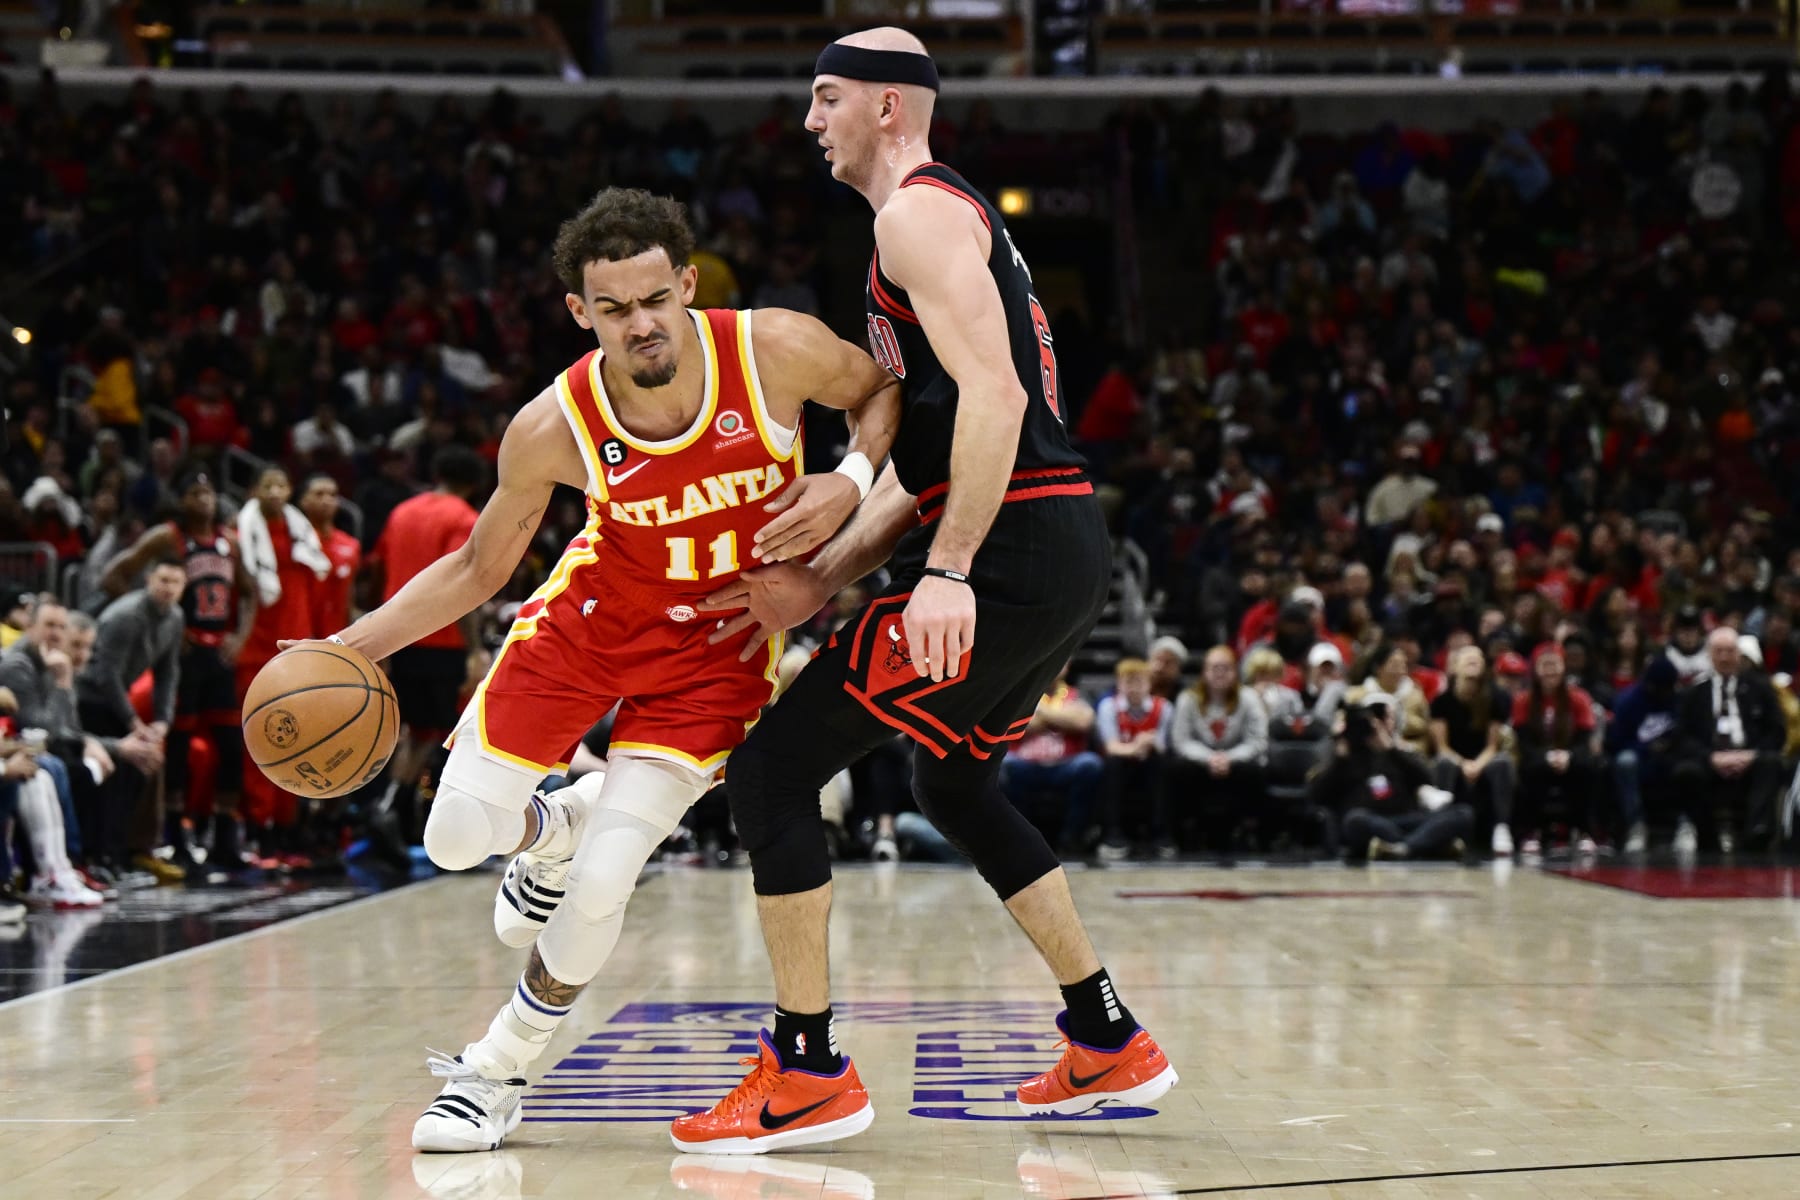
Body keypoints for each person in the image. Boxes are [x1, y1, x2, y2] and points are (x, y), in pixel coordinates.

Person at [294, 187, 900, 1152]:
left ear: (687, 285)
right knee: (452, 840)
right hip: (589, 625)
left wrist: (851, 478)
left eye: (655, 299)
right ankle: (553, 822)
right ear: (580, 312)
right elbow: (478, 568)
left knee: (604, 885)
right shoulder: (551, 425)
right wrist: (348, 648)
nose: (641, 324)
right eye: (613, 309)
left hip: (717, 650)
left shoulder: (773, 347)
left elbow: (880, 390)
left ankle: (495, 1072)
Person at [680, 31, 1176, 1153]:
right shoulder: (926, 224)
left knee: (770, 773)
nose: (810, 120)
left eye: (827, 97)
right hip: (1048, 544)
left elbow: (995, 400)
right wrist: (827, 576)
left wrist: (946, 572)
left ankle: (806, 1070)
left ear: (891, 108)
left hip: (1010, 550)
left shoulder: (916, 216)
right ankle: (1106, 1038)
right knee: (948, 783)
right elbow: (943, 447)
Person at [101, 468, 258, 867]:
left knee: (230, 748)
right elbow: (114, 575)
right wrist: (161, 620)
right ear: (181, 500)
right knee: (180, 747)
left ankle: (225, 835)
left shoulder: (229, 541)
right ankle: (176, 836)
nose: (203, 499)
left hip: (218, 655)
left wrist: (239, 636)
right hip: (184, 656)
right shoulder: (166, 536)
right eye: (194, 492)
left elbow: (250, 592)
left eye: (208, 492)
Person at [367, 447, 485, 841]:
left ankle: (390, 811)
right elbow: (462, 582)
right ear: (473, 484)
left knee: (405, 730)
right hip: (441, 638)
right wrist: (474, 648)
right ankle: (390, 809)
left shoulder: (402, 512)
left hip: (396, 634)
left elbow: (378, 568)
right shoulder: (464, 518)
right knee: (430, 732)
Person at [75, 561, 180, 880]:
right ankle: (102, 854)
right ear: (149, 579)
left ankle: (127, 851)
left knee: (140, 769)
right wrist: (134, 722)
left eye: (176, 582)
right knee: (112, 775)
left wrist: (163, 719)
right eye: (163, 579)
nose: (168, 587)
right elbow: (107, 676)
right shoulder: (126, 616)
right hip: (90, 701)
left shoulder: (175, 618)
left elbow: (168, 672)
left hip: (118, 702)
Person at [1315, 691, 1472, 862]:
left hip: (1407, 818)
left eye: (1386, 718)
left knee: (1463, 813)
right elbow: (1317, 795)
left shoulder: (1401, 752)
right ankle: (1423, 845)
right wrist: (1340, 758)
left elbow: (1427, 779)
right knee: (1355, 820)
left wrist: (1391, 749)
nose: (1380, 724)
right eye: (1375, 718)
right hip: (1369, 821)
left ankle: (1403, 848)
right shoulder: (1345, 754)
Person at [1672, 626, 1786, 853]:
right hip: (1710, 759)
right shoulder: (1694, 692)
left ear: (1739, 654)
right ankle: (1707, 838)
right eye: (1719, 651)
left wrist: (1751, 754)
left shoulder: (1760, 688)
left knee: (1772, 762)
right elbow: (1682, 736)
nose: (1724, 657)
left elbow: (1776, 731)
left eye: (1730, 651)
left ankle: (1756, 834)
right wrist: (1711, 757)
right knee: (1685, 771)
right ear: (1709, 655)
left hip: (1749, 758)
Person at [1510, 642, 1604, 857]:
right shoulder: (1524, 700)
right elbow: (1523, 742)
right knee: (1531, 769)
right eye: (1545, 665)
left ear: (1563, 668)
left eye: (1555, 664)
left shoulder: (1578, 698)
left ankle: (1584, 831)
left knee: (1587, 767)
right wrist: (1547, 756)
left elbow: (1584, 740)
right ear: (1536, 669)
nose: (1550, 670)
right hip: (1538, 756)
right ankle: (1532, 831)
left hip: (1570, 755)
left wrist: (1567, 756)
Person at [998, 665, 1102, 855]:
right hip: (1025, 764)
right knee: (1004, 765)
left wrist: (1040, 713)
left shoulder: (1078, 694)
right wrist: (1063, 719)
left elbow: (1083, 722)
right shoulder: (1020, 692)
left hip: (1066, 764)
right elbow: (1007, 726)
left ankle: (1071, 840)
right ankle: (1022, 841)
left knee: (1090, 764)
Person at [1428, 645, 1516, 856]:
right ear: (1455, 666)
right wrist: (1463, 764)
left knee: (1503, 762)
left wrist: (1477, 765)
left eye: (1478, 658)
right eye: (1467, 657)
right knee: (1443, 763)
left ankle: (1501, 828)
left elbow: (1492, 746)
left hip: (1483, 761)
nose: (1473, 660)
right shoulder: (1441, 702)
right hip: (1454, 759)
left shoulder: (1494, 699)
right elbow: (1442, 747)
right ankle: (1442, 829)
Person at [1093, 657, 1170, 861]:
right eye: (1128, 681)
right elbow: (1111, 746)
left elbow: (1162, 746)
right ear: (1119, 684)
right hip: (1120, 764)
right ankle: (1112, 833)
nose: (1134, 688)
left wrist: (1146, 745)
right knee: (1113, 764)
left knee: (1160, 763)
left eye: (1139, 682)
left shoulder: (1163, 707)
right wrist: (1138, 745)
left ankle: (1159, 833)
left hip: (1149, 762)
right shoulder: (1109, 707)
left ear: (1149, 684)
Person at [1606, 656, 1682, 855]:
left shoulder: (1678, 700)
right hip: (1638, 755)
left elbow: (1685, 733)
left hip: (1670, 756)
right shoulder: (1628, 701)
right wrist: (1646, 748)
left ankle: (1685, 825)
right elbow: (1616, 742)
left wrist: (1669, 746)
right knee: (1624, 762)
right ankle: (1636, 826)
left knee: (1690, 764)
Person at [302, 473, 363, 635]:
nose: (327, 500)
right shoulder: (296, 542)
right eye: (319, 494)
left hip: (337, 636)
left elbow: (349, 598)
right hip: (300, 635)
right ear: (304, 500)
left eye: (332, 495)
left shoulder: (351, 545)